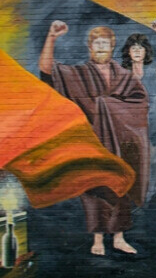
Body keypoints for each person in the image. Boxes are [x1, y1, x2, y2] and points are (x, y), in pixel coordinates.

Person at [39, 21, 148, 256]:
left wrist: (108, 106)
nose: (100, 47)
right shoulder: (77, 75)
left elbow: (139, 102)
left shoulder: (123, 76)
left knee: (122, 185)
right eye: (96, 43)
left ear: (112, 47)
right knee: (94, 188)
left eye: (105, 43)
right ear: (90, 47)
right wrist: (51, 37)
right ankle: (98, 239)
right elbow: (47, 72)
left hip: (121, 143)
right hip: (93, 143)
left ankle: (119, 238)